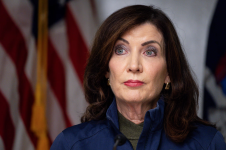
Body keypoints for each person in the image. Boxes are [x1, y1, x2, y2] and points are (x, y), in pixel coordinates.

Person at [50, 5, 226, 150]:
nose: (134, 66)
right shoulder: (70, 144)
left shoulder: (207, 143)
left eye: (150, 52)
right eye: (120, 50)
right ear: (106, 70)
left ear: (168, 74)